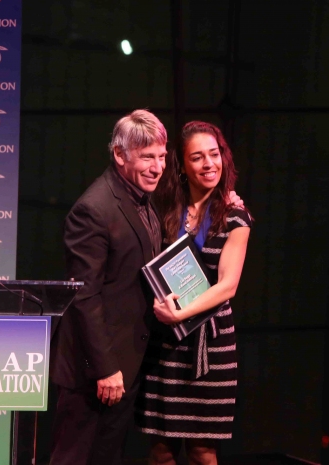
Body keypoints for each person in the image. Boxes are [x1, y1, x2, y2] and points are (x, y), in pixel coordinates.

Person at [50, 109, 168, 465]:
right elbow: (84, 295)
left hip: (126, 364)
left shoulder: (143, 199)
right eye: (148, 157)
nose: (157, 167)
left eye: (162, 157)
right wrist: (104, 368)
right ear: (120, 155)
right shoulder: (94, 209)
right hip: (96, 372)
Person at [135, 121, 252, 465]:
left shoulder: (235, 215)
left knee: (202, 450)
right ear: (182, 165)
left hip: (211, 348)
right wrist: (169, 316)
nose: (208, 164)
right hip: (166, 344)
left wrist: (180, 315)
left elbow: (228, 286)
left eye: (214, 155)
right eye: (197, 157)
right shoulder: (164, 211)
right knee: (161, 450)